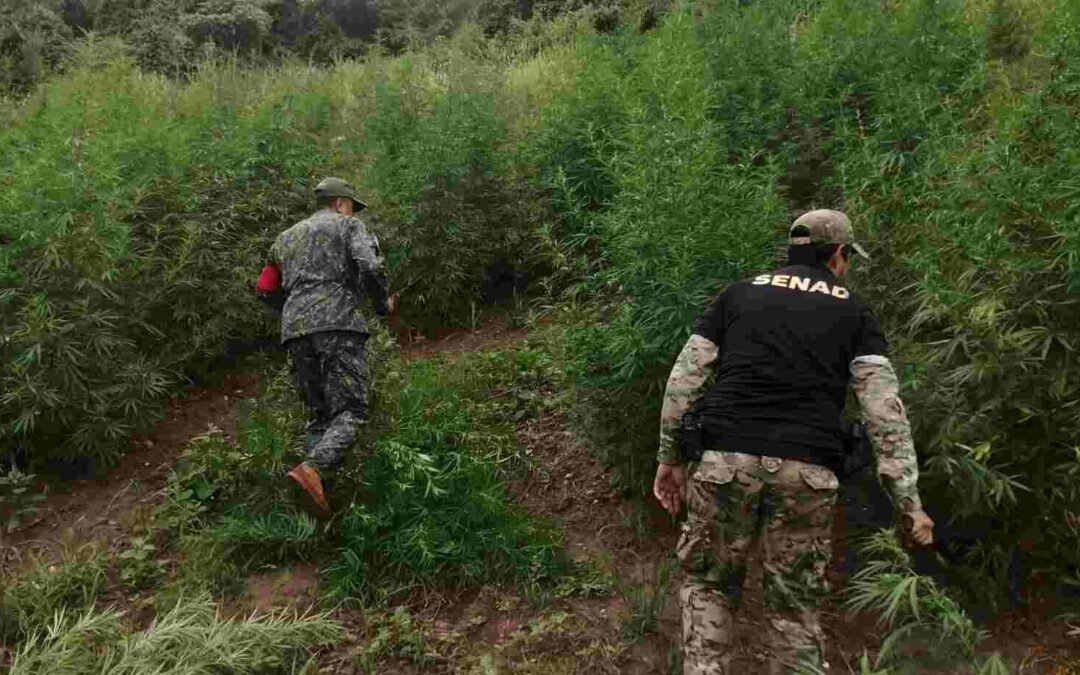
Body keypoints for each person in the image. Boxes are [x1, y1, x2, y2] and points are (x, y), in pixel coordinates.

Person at [652, 209, 935, 674]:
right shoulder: (855, 312)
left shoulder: (738, 295)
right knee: (794, 606)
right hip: (807, 473)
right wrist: (909, 500)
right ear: (838, 254)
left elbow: (683, 381)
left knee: (709, 585)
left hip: (725, 464)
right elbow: (884, 412)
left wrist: (670, 458)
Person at [256, 177, 396, 513]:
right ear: (340, 203)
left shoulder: (284, 237)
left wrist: (297, 310)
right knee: (353, 410)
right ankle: (313, 469)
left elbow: (264, 288)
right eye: (351, 206)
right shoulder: (349, 226)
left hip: (295, 330)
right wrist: (383, 305)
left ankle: (316, 501)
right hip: (338, 325)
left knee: (319, 417)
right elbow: (370, 266)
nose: (352, 212)